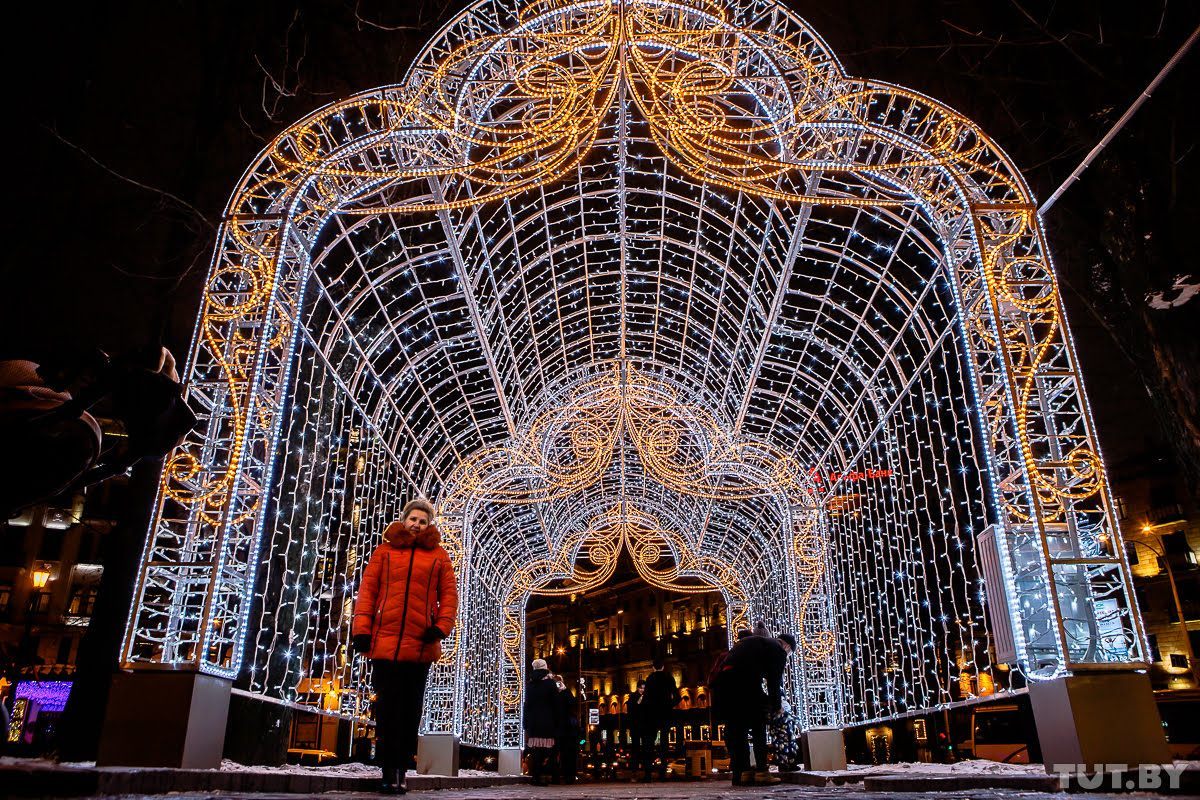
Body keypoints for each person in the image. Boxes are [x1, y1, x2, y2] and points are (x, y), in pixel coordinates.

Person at [352, 499, 458, 795]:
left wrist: (440, 627)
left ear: (429, 526)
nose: (417, 524)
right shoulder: (384, 552)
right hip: (384, 645)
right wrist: (362, 629)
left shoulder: (439, 556)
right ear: (404, 520)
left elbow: (449, 595)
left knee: (410, 711)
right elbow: (367, 592)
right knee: (386, 708)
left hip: (419, 646)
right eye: (413, 518)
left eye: (423, 521)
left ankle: (401, 769)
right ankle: (387, 769)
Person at [711, 631, 795, 786]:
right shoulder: (778, 650)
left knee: (739, 728)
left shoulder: (757, 644)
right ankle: (762, 772)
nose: (787, 657)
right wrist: (776, 707)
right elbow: (774, 682)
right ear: (787, 646)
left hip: (726, 685)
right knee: (758, 724)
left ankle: (744, 773)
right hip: (744, 681)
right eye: (789, 654)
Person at [523, 658, 562, 786]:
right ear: (545, 669)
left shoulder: (529, 685)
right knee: (547, 750)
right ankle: (543, 776)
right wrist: (557, 720)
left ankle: (536, 776)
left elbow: (526, 705)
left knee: (535, 750)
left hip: (533, 722)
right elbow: (556, 704)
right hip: (547, 721)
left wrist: (526, 723)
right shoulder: (550, 684)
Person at [639, 659, 679, 782]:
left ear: (653, 667)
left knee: (649, 744)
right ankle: (662, 774)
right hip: (665, 714)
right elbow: (677, 697)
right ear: (663, 666)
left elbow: (646, 698)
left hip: (651, 715)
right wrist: (669, 705)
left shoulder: (650, 679)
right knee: (664, 744)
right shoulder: (669, 678)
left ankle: (648, 774)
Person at [552, 674, 581, 784]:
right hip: (557, 727)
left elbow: (573, 703)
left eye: (560, 681)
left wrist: (565, 690)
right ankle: (558, 776)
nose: (558, 684)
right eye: (557, 682)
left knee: (568, 752)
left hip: (567, 728)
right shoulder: (553, 694)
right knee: (556, 752)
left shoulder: (566, 692)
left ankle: (569, 776)